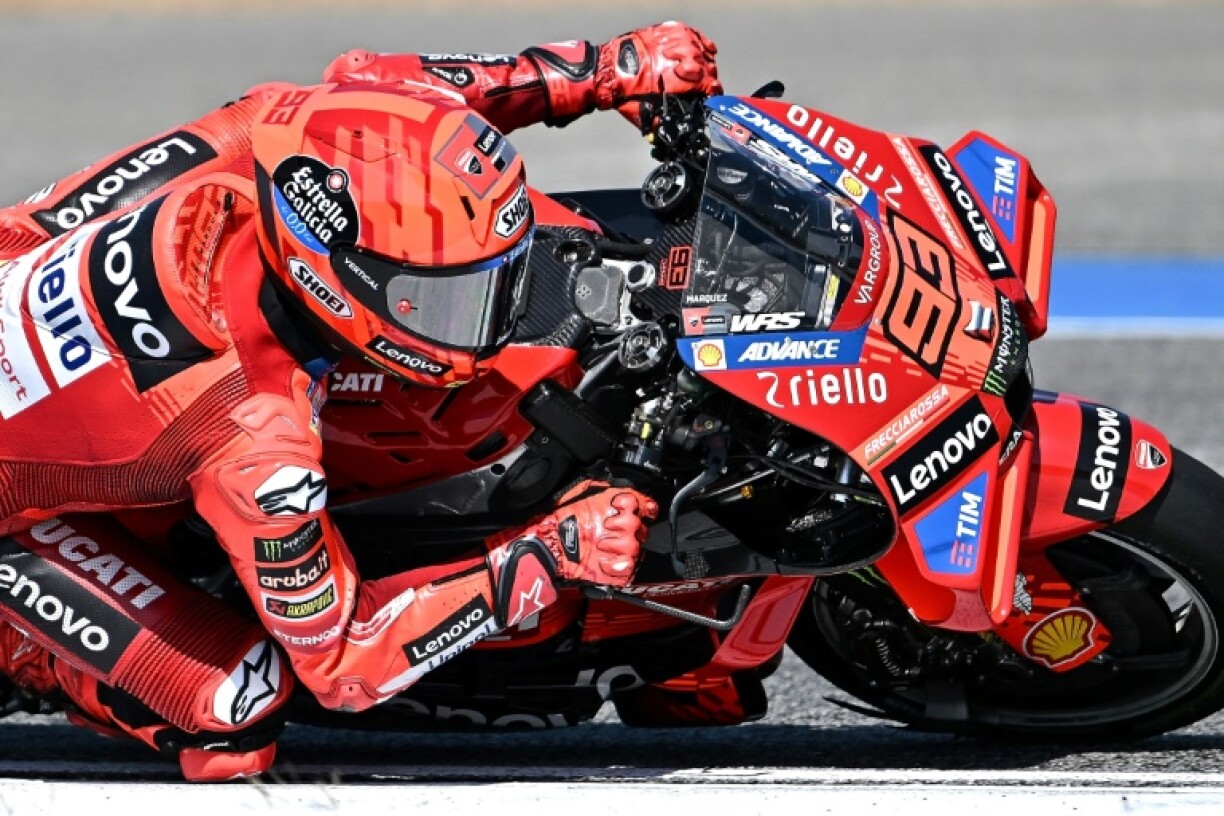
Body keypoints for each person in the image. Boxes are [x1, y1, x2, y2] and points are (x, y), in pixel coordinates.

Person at [0, 21, 719, 780]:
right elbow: (344, 664)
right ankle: (23, 651)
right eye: (444, 302)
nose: (492, 323)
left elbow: (391, 88)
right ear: (331, 278)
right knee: (237, 707)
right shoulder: (256, 444)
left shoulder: (275, 128)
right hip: (15, 510)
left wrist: (609, 69)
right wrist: (544, 555)